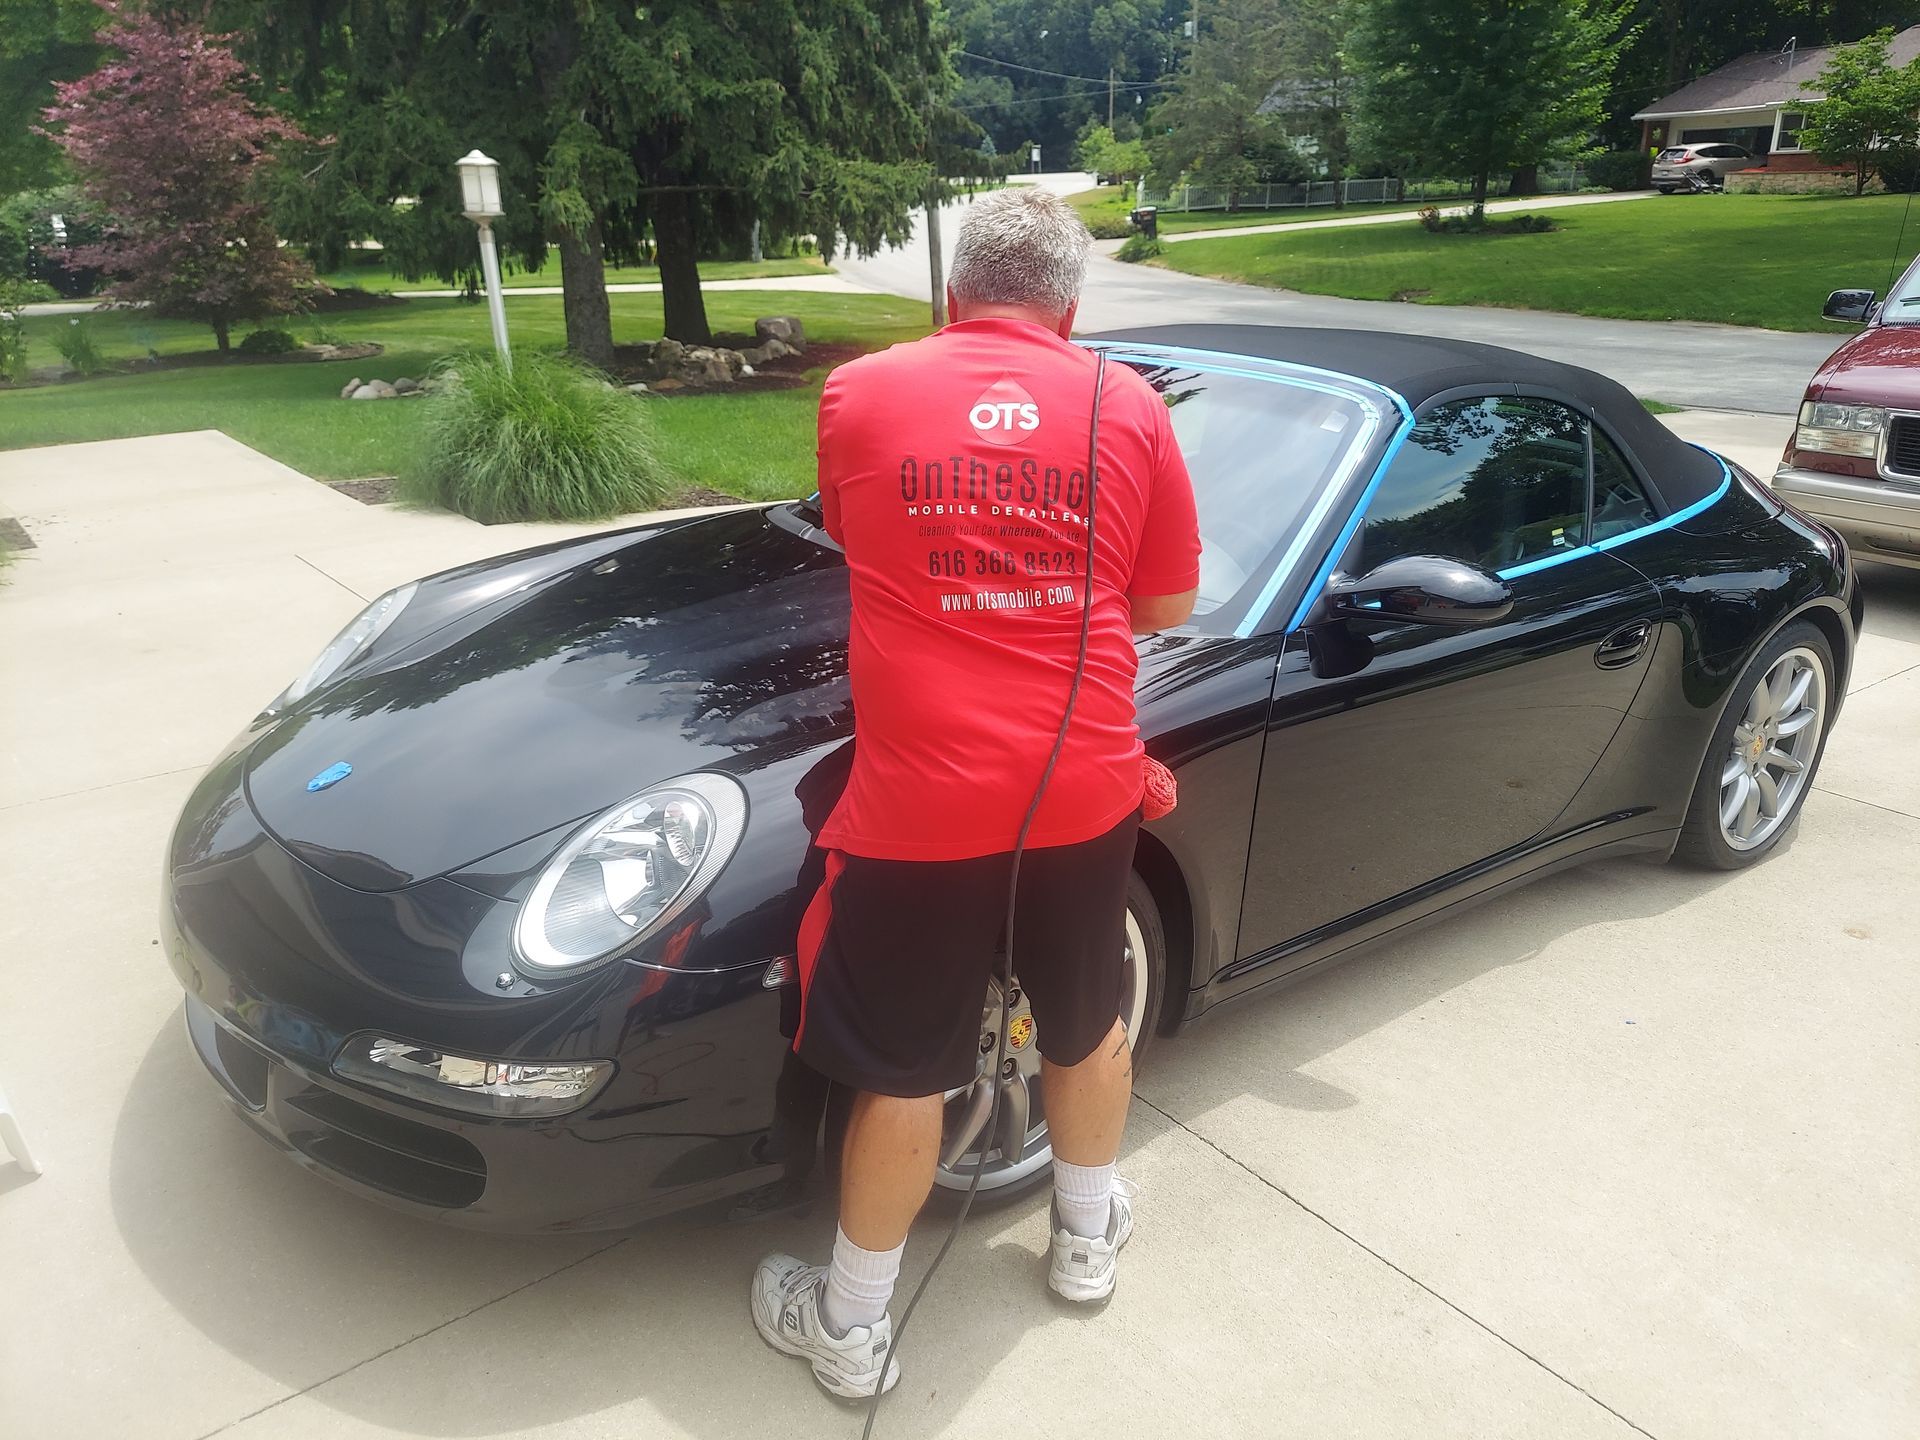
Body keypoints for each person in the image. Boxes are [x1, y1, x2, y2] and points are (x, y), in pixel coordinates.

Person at [750, 187, 1201, 1400]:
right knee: (1086, 1015)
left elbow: (860, 538)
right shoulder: (1132, 406)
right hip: (1083, 788)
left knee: (902, 1064)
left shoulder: (862, 392)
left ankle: (849, 1326)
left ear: (954, 293)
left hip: (920, 806)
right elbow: (1164, 608)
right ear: (1070, 307)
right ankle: (1086, 1241)